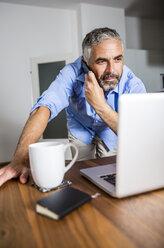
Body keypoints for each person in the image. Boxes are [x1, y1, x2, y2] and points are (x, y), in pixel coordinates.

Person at [0, 27, 146, 187]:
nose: (111, 70)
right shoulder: (70, 73)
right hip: (81, 130)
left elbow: (138, 135)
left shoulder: (133, 84)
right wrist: (19, 161)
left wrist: (100, 106)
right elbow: (43, 108)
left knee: (112, 176)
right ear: (85, 62)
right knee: (84, 178)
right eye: (101, 61)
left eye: (117, 59)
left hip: (113, 130)